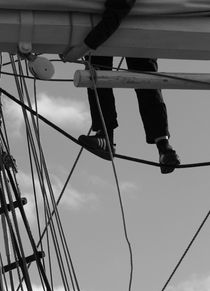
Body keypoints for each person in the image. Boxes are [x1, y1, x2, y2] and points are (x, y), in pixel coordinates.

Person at [60, 0, 180, 174]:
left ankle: (110, 136)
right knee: (145, 78)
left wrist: (81, 48)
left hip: (124, 19)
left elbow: (117, 11)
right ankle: (162, 145)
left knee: (103, 69)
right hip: (134, 22)